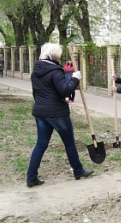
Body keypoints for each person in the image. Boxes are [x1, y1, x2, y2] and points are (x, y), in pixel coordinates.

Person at [26, 43, 93, 188]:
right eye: (58, 55)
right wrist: (75, 78)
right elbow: (65, 91)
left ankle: (31, 177)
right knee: (69, 142)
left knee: (41, 144)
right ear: (54, 55)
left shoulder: (36, 70)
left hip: (40, 111)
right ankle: (78, 170)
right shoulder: (55, 71)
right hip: (57, 112)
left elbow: (35, 93)